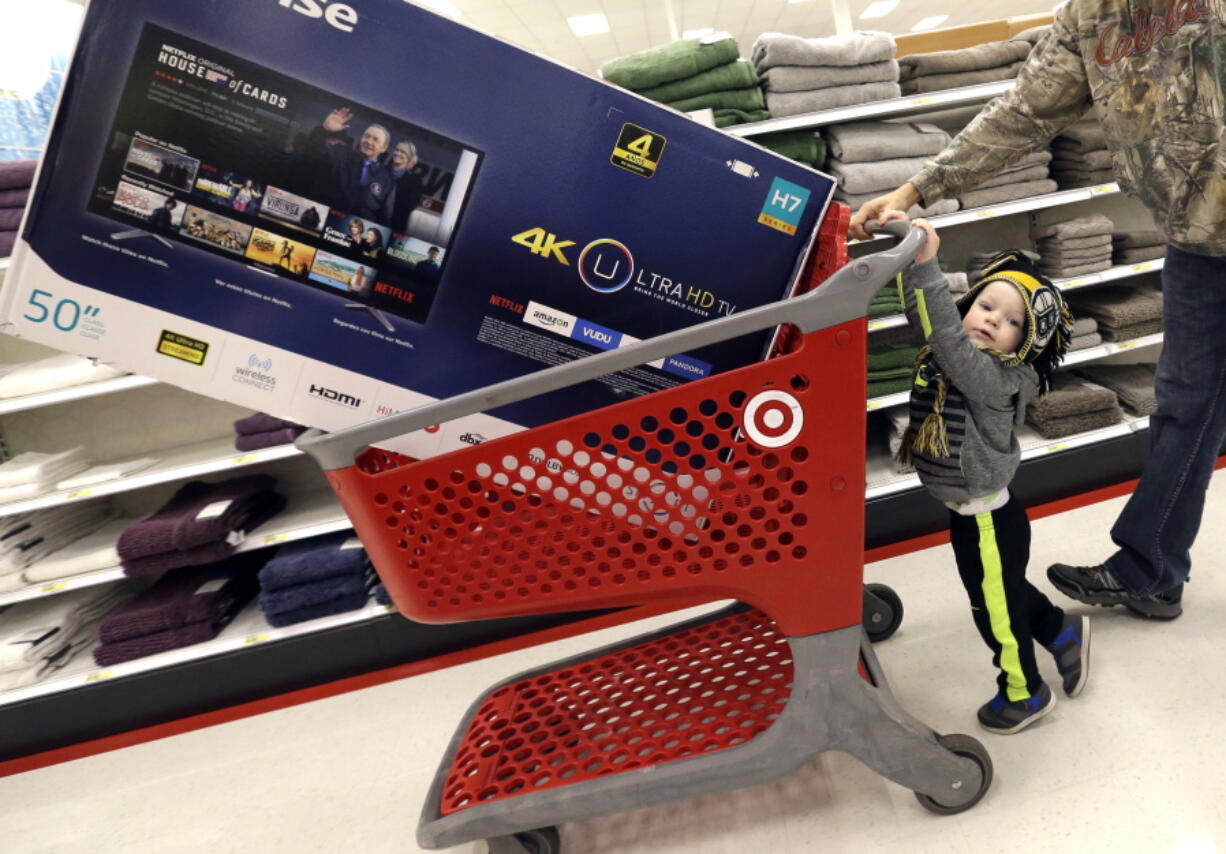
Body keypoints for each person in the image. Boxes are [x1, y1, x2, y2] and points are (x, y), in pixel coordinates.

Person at [850, 2, 1223, 621]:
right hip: (1198, 241)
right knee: (1185, 404)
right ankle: (1151, 570)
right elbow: (1027, 108)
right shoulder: (1092, 14)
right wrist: (919, 189)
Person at [886, 210, 1088, 734]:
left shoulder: (996, 377)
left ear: (1027, 344)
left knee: (992, 611)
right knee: (1003, 591)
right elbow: (926, 321)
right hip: (971, 514)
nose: (993, 319)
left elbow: (948, 340)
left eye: (1013, 321)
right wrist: (912, 252)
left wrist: (929, 263)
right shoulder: (954, 351)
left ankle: (1025, 692)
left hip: (987, 522)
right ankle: (1062, 633)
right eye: (986, 304)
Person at [302, 108, 397, 227]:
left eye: (375, 139)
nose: (369, 141)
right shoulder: (340, 154)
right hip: (322, 223)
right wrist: (324, 130)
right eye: (366, 136)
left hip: (353, 235)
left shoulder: (387, 180)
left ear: (384, 148)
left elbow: (385, 219)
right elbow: (311, 151)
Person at [389, 140, 425, 235]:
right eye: (397, 150)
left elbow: (411, 204)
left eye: (403, 152)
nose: (398, 154)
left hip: (394, 225)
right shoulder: (382, 170)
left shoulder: (415, 181)